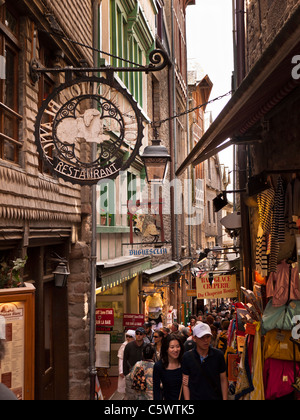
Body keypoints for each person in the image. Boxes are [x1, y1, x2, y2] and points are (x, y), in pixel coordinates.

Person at [182, 322, 228, 400]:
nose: (206, 340)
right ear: (194, 339)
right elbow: (185, 383)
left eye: (208, 337)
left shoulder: (218, 355)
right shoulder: (187, 357)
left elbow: (223, 380)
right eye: (201, 337)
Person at [153, 333, 184, 400]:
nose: (176, 350)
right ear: (166, 349)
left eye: (178, 346)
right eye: (172, 347)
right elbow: (156, 390)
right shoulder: (159, 366)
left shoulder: (184, 363)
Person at [117, 330, 135, 394]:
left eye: (130, 336)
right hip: (126, 369)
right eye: (127, 336)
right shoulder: (124, 345)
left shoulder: (136, 345)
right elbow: (121, 358)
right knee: (125, 388)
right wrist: (121, 370)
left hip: (134, 369)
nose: (128, 338)